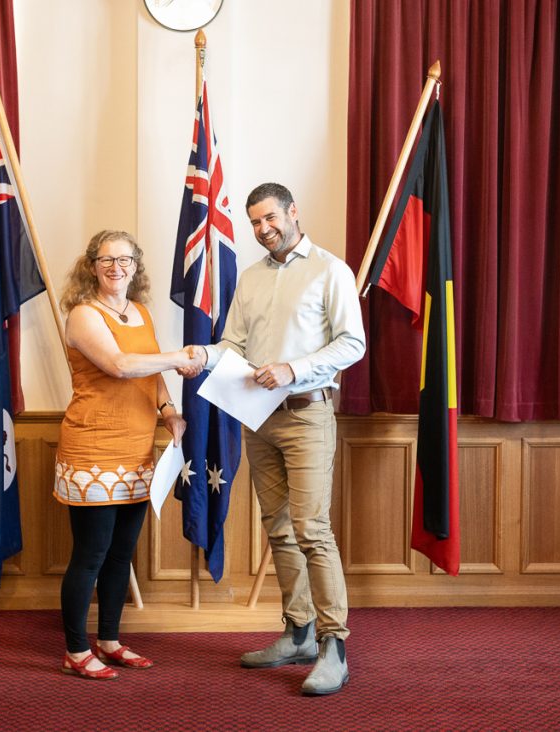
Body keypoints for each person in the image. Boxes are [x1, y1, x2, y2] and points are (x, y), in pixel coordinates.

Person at [185, 183, 366, 695]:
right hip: (258, 419)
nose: (264, 230)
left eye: (270, 219)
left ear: (293, 212)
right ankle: (299, 632)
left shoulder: (331, 270)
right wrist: (204, 354)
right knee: (280, 529)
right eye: (255, 223)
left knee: (312, 529)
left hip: (308, 415)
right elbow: (234, 344)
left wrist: (294, 369)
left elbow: (353, 343)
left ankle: (335, 647)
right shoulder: (250, 278)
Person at [54, 229, 202, 681]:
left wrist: (169, 410)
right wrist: (179, 357)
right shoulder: (83, 314)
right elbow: (120, 365)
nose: (116, 268)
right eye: (106, 260)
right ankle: (76, 650)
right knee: (91, 554)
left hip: (137, 450)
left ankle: (111, 640)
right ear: (91, 266)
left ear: (136, 266)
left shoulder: (138, 311)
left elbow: (149, 371)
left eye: (125, 260)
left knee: (122, 554)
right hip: (93, 450)